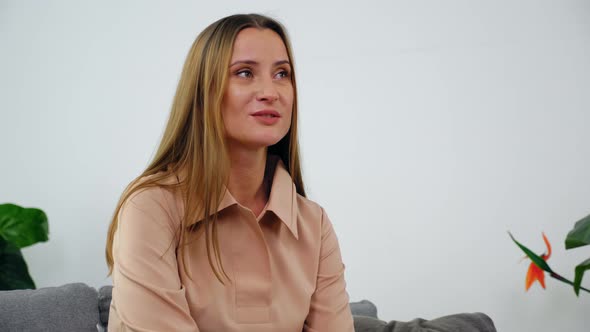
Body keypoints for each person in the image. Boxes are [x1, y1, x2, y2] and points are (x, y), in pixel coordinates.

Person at [104, 13, 354, 331]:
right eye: (245, 73)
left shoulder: (313, 224)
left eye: (282, 74)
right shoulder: (151, 207)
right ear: (204, 91)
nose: (270, 91)